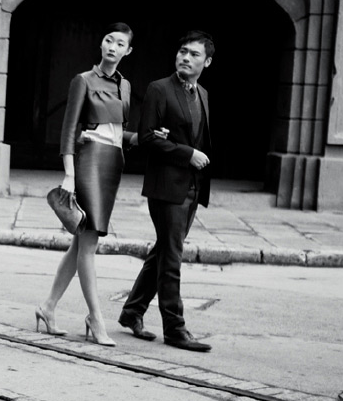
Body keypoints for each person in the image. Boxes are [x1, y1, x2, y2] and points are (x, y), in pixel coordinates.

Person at [35, 23, 164, 346]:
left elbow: (118, 132)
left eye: (119, 43)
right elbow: (69, 130)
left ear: (127, 51)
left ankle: (47, 307)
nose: (112, 47)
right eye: (108, 40)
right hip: (89, 160)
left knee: (80, 243)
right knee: (90, 242)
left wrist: (146, 137)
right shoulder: (83, 80)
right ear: (101, 44)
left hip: (113, 161)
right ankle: (95, 317)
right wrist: (69, 174)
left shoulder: (126, 85)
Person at [118, 31, 216, 352]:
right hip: (166, 188)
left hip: (192, 188)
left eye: (194, 54)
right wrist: (187, 154)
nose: (185, 57)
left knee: (163, 252)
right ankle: (175, 328)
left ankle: (132, 311)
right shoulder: (159, 89)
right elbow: (147, 138)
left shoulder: (203, 94)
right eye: (183, 51)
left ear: (207, 62)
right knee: (172, 259)